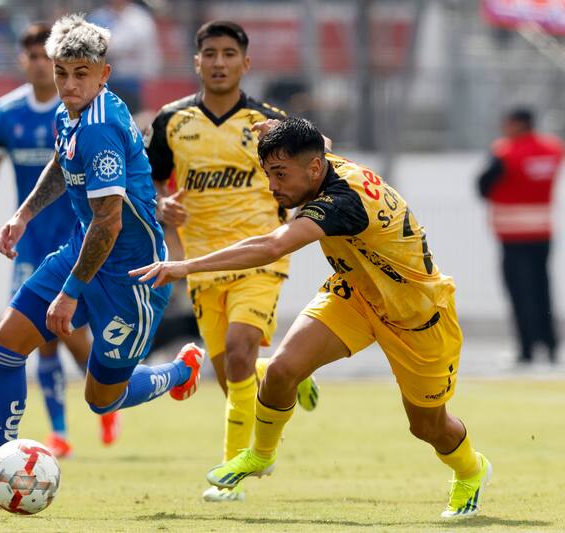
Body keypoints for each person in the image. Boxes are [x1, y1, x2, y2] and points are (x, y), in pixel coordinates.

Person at [133, 117, 493, 519]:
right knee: (281, 371)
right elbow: (321, 139)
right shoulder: (320, 162)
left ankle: (471, 470)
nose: (273, 186)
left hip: (417, 317)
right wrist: (280, 128)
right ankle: (261, 454)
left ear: (314, 168)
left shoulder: (342, 202)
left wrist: (185, 266)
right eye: (269, 173)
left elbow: (273, 246)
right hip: (356, 295)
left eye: (280, 174)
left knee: (427, 427)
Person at [0, 14, 204, 515]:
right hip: (82, 249)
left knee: (102, 398)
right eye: (61, 72)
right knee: (4, 348)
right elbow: (64, 163)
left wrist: (69, 293)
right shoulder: (70, 114)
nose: (68, 83)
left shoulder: (102, 126)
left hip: (132, 279)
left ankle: (178, 371)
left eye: (80, 73)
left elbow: (109, 222)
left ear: (103, 74)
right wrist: (24, 214)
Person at [144, 20, 319, 502]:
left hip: (261, 256)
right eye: (210, 54)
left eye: (228, 54)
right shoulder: (171, 121)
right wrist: (161, 205)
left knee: (240, 350)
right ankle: (282, 373)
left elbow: (318, 160)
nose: (219, 62)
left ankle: (232, 474)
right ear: (196, 61)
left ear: (246, 63)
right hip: (203, 263)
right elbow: (149, 181)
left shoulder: (269, 121)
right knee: (232, 377)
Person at [0, 23, 118, 459]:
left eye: (45, 58)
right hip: (32, 245)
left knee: (68, 334)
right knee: (35, 336)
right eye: (35, 58)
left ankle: (108, 395)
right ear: (25, 60)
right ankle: (59, 432)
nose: (40, 66)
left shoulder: (85, 112)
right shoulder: (7, 112)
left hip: (76, 238)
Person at [477, 108, 563, 366]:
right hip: (542, 232)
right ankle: (550, 345)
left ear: (517, 124)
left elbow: (483, 186)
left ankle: (526, 349)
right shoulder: (553, 149)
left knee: (519, 293)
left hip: (513, 235)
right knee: (542, 290)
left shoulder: (506, 152)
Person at [88, 0, 161, 114]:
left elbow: (128, 46)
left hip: (132, 82)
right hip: (102, 82)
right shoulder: (98, 16)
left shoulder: (139, 19)